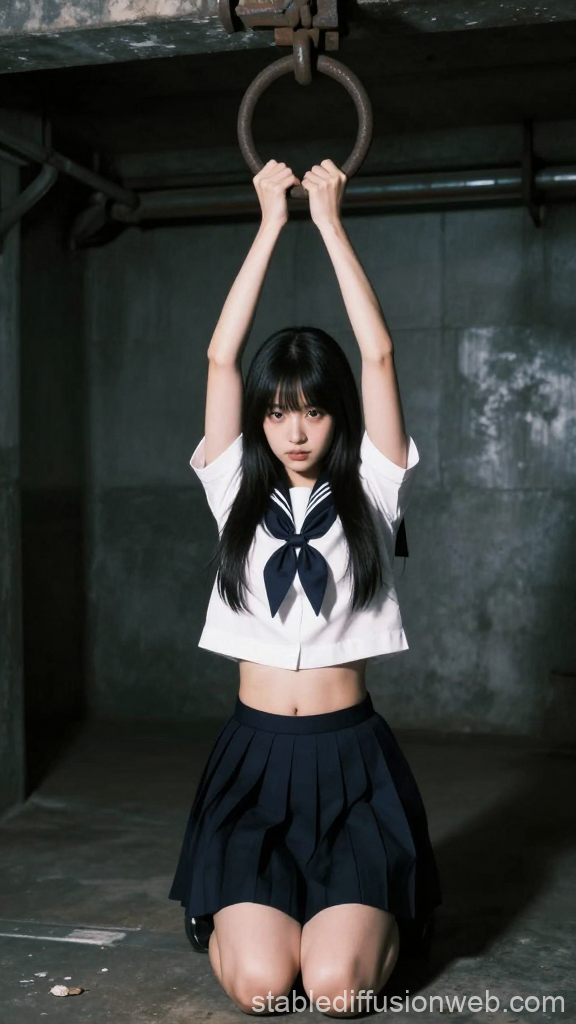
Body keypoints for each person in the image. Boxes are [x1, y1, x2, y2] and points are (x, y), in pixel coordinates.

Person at [169, 158, 441, 1016]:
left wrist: (328, 221)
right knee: (262, 985)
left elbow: (379, 352)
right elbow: (221, 358)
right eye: (278, 411)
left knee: (334, 991)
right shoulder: (231, 490)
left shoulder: (374, 486)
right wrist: (268, 225)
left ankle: (380, 914)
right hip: (253, 760)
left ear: (337, 417)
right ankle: (246, 908)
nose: (295, 430)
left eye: (315, 411)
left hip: (350, 760)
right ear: (260, 418)